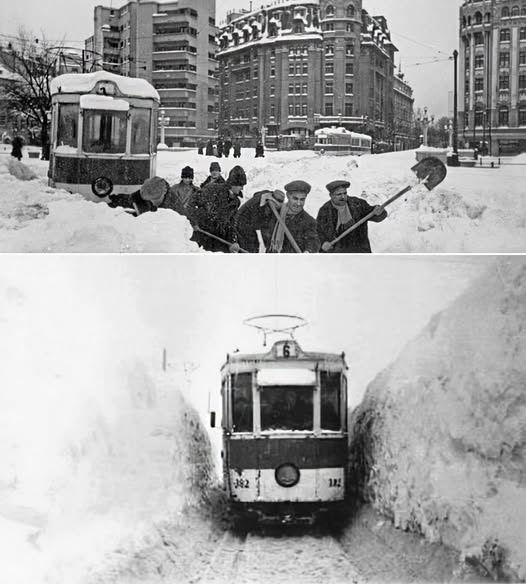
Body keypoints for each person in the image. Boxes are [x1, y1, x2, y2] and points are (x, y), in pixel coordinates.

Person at [244, 180, 319, 253]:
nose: (298, 203)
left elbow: (313, 241)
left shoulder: (309, 221)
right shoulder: (274, 214)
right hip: (272, 260)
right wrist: (262, 196)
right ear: (288, 196)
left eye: (302, 199)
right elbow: (251, 219)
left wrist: (308, 252)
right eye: (295, 198)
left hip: (294, 262)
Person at [187, 165, 247, 253]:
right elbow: (191, 203)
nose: (242, 188)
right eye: (240, 185)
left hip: (219, 239)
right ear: (233, 184)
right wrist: (194, 222)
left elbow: (231, 223)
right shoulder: (212, 189)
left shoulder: (236, 202)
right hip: (202, 235)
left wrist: (233, 241)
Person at [316, 180, 387, 253]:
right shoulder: (325, 211)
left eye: (345, 193)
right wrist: (323, 243)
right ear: (331, 195)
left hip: (360, 248)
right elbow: (317, 231)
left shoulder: (357, 204)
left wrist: (379, 212)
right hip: (338, 251)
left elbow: (374, 215)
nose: (343, 197)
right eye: (339, 194)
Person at [235, 188, 285, 253]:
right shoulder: (254, 204)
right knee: (249, 249)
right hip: (242, 224)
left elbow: (269, 230)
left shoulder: (273, 211)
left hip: (252, 225)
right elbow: (238, 218)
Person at [108, 176, 173, 216]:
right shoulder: (149, 189)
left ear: (162, 195)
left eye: (152, 199)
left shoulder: (173, 210)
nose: (150, 201)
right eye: (148, 199)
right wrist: (111, 200)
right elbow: (128, 199)